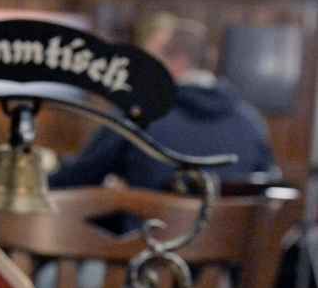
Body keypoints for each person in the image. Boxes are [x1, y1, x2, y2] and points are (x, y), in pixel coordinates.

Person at [49, 15, 279, 195]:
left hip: (148, 250)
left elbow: (78, 179)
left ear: (176, 62)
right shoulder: (250, 122)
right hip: (231, 254)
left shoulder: (139, 114)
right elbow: (266, 188)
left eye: (149, 61)